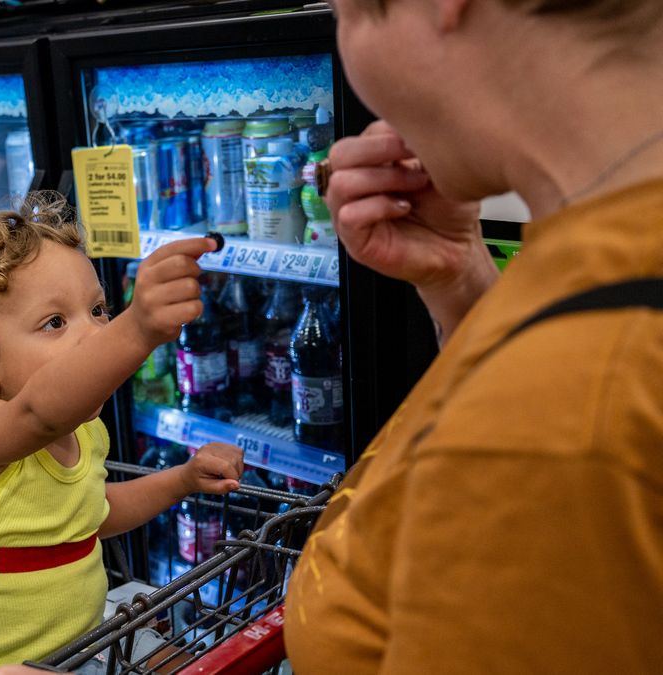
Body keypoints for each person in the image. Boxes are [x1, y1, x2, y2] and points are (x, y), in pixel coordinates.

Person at [284, 0, 663, 672]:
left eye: (347, 12)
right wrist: (464, 290)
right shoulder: (608, 248)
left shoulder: (542, 436)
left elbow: (566, 409)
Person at [0, 194, 244, 674]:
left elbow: (92, 514)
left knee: (181, 662)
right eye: (55, 322)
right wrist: (137, 327)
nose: (95, 335)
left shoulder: (83, 433)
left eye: (99, 310)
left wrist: (182, 480)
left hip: (80, 645)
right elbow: (41, 410)